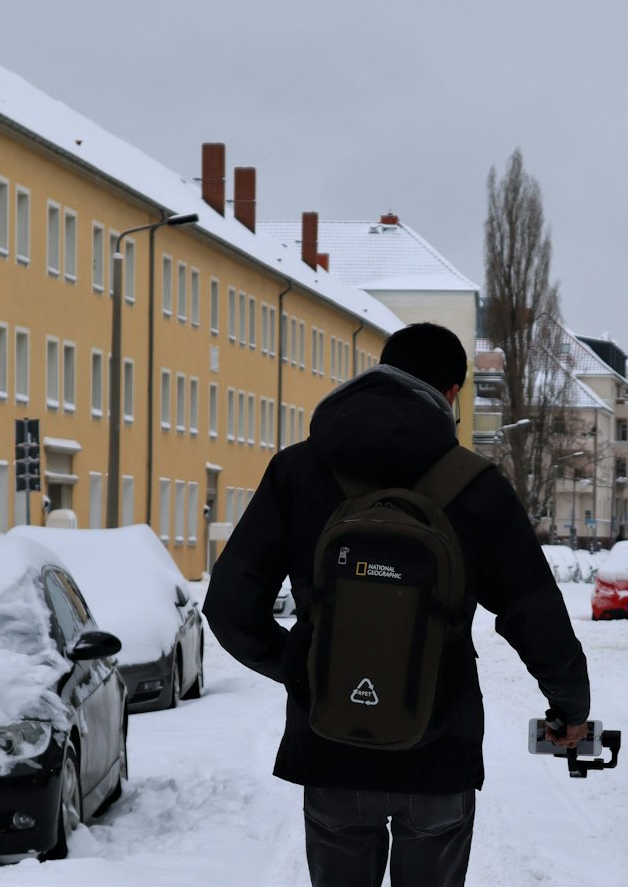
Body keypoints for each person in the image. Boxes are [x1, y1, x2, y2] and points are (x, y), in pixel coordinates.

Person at [204, 322, 591, 887]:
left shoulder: (298, 470)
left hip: (331, 747)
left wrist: (306, 666)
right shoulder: (477, 487)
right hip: (440, 751)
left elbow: (229, 607)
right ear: (453, 394)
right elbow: (536, 615)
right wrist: (570, 709)